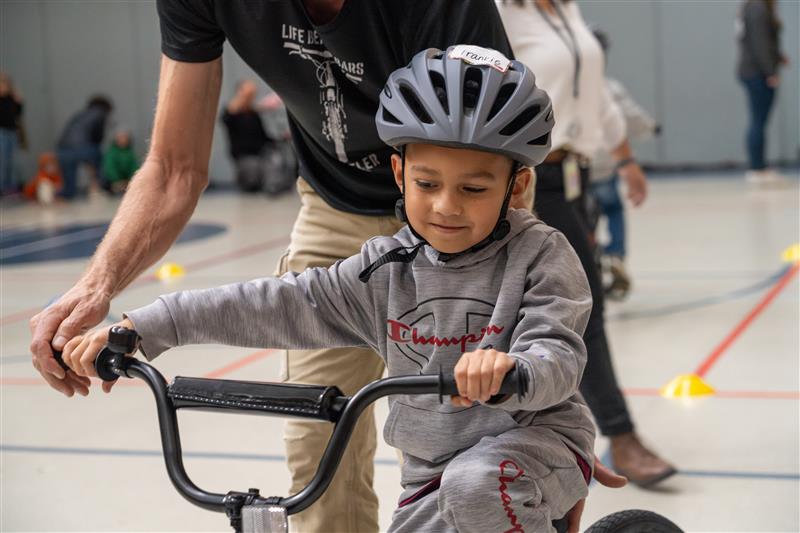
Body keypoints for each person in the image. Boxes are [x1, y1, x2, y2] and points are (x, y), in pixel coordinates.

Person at [29, 2, 624, 531]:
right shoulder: (380, 272)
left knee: (480, 488)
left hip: (516, 444)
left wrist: (530, 393)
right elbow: (272, 302)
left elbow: (556, 350)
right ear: (401, 174)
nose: (446, 205)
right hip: (348, 225)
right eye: (428, 183)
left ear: (512, 186)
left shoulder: (537, 254)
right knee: (318, 442)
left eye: (469, 188)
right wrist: (142, 326)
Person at [497, 0, 676, 487]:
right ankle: (619, 437)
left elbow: (593, 94)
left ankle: (564, 439)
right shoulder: (501, 11)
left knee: (566, 313)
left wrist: (624, 157)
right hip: (528, 178)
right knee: (577, 310)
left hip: (572, 176)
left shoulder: (565, 10)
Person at [589, 29, 660, 301]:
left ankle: (591, 255)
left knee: (583, 216)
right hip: (607, 164)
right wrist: (651, 129)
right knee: (614, 208)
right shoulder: (610, 87)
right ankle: (615, 253)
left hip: (577, 167)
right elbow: (631, 116)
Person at [736, 0, 789, 184]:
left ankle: (759, 167)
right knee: (758, 121)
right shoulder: (758, 8)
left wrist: (778, 56)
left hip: (752, 70)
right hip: (757, 73)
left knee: (759, 121)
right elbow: (759, 43)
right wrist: (770, 71)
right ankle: (757, 168)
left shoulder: (751, 7)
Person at [220, 79, 293, 194]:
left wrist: (283, 137)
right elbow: (229, 114)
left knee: (276, 160)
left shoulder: (254, 115)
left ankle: (276, 185)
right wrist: (246, 93)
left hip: (262, 154)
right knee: (255, 167)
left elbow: (263, 137)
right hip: (245, 158)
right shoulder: (231, 114)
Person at [56, 95, 114, 199]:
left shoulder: (79, 114)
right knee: (97, 163)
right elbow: (97, 135)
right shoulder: (100, 114)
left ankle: (68, 193)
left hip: (63, 149)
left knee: (69, 183)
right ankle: (101, 188)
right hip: (85, 148)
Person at [0, 71, 24, 196]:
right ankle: (2, 186)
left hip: (12, 130)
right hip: (2, 131)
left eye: (6, 84)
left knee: (12, 160)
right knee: (2, 160)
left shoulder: (11, 98)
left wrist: (19, 102)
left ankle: (10, 186)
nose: (4, 86)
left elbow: (18, 114)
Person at [102, 128, 139, 194]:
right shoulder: (112, 152)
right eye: (121, 137)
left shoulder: (130, 153)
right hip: (114, 180)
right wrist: (116, 180)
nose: (123, 140)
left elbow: (134, 167)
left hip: (127, 180)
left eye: (125, 137)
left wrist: (131, 179)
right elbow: (110, 167)